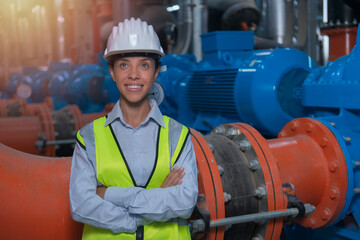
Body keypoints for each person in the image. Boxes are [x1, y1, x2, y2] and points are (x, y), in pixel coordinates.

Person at [69, 18, 198, 239]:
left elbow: (184, 202)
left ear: (156, 72)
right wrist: (155, 201)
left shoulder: (178, 135)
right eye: (124, 64)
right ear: (112, 72)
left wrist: (108, 194)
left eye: (144, 65)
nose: (134, 75)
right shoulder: (89, 137)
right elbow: (81, 205)